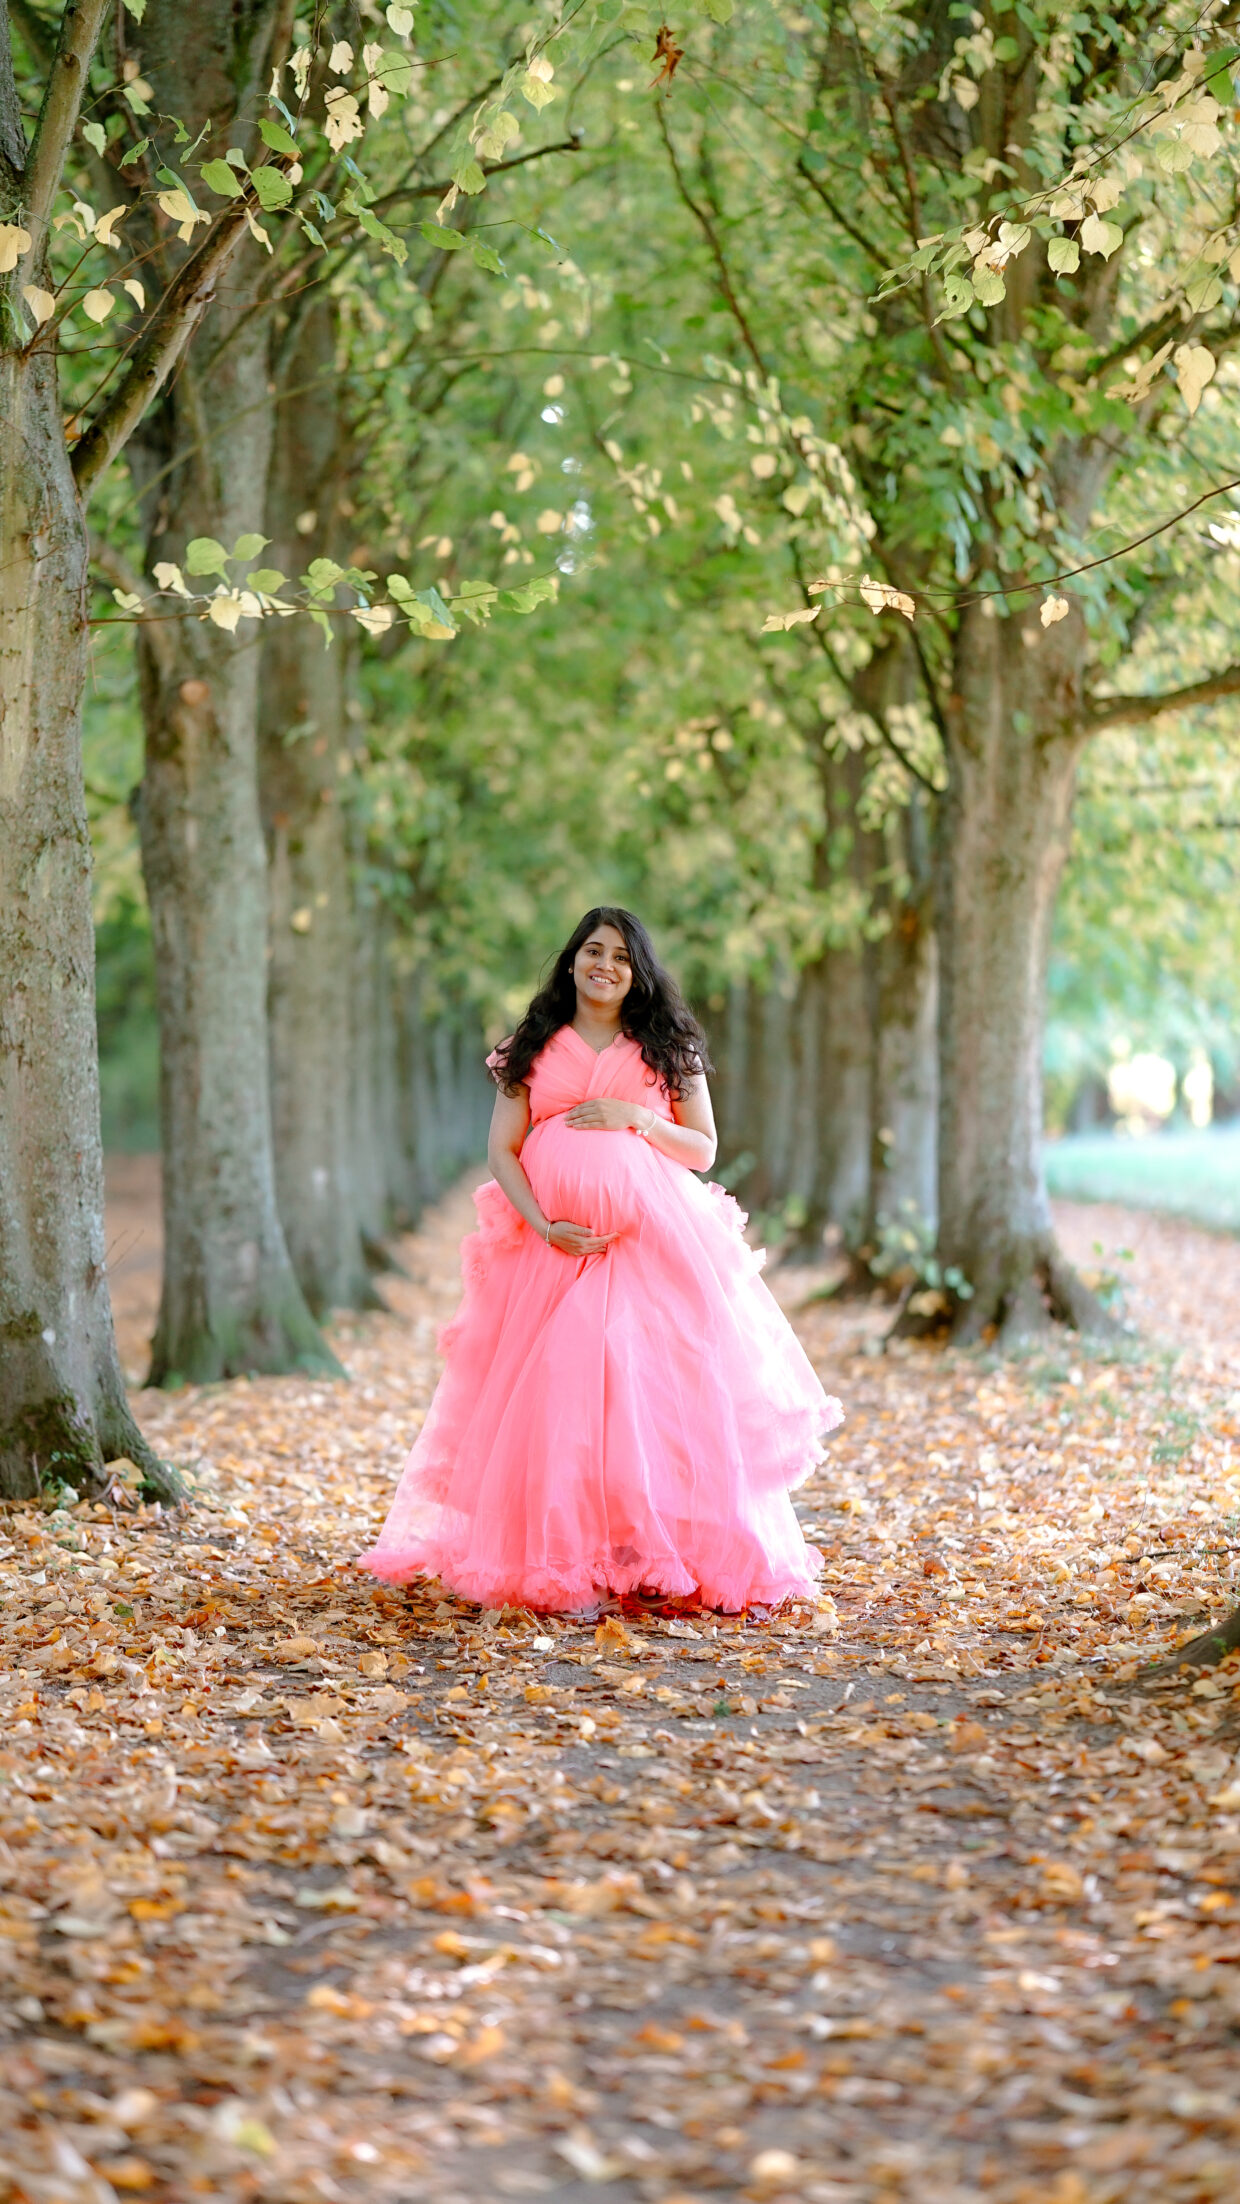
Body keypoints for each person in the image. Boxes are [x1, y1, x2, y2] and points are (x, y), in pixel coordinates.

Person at [358, 908, 843, 1614]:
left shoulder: (667, 1044)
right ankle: (569, 1554)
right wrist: (545, 1224)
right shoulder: (532, 1044)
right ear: (572, 961)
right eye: (593, 950)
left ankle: (660, 1550)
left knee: (650, 1394)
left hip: (649, 1246)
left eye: (620, 955)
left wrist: (638, 1119)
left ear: (637, 969)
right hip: (553, 1252)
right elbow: (503, 1151)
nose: (605, 964)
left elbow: (703, 1149)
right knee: (562, 1396)